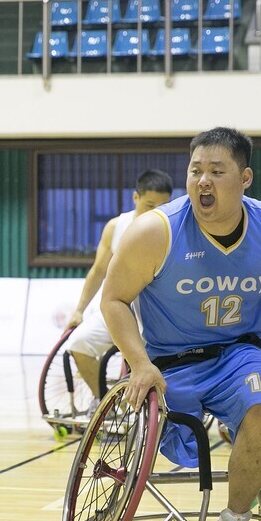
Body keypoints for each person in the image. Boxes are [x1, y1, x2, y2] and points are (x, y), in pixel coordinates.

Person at [101, 127, 261, 521]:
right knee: (173, 431)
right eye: (196, 170)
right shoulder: (154, 232)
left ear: (245, 178)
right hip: (169, 360)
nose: (203, 181)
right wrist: (138, 364)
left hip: (239, 353)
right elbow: (113, 300)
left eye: (217, 171)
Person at [65, 169, 174, 399]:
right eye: (150, 205)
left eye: (162, 206)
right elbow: (98, 272)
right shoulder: (116, 227)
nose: (156, 213)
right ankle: (106, 406)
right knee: (78, 344)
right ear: (136, 198)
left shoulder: (172, 230)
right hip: (117, 309)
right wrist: (79, 310)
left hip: (156, 316)